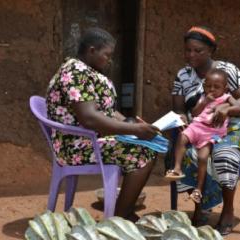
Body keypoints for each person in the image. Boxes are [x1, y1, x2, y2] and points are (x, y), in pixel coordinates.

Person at [46, 27, 159, 221]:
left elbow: (104, 110)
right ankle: (119, 218)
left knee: (148, 145)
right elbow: (89, 118)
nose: (109, 59)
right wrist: (135, 130)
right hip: (76, 146)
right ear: (91, 50)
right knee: (144, 153)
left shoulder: (87, 72)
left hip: (90, 140)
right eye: (106, 55)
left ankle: (125, 211)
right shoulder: (75, 72)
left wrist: (128, 122)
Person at [171, 26, 240, 235]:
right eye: (188, 50)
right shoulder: (183, 75)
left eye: (198, 50)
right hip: (200, 128)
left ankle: (227, 210)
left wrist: (227, 108)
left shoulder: (228, 70)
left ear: (211, 51)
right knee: (184, 155)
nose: (191, 55)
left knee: (224, 155)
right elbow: (179, 107)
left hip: (233, 129)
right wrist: (181, 118)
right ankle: (201, 204)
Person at [166, 69, 240, 204]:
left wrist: (225, 106)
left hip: (213, 132)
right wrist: (203, 102)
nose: (211, 89)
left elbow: (239, 107)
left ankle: (198, 190)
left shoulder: (226, 97)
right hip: (197, 127)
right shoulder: (203, 97)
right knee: (182, 137)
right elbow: (194, 113)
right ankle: (176, 168)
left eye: (216, 87)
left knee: (202, 157)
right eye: (208, 86)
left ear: (225, 88)